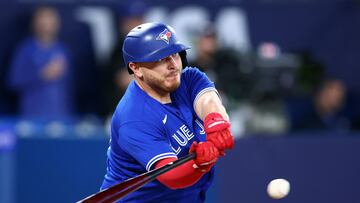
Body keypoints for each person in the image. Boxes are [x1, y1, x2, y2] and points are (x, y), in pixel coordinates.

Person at [100, 22, 234, 202]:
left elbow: (209, 100)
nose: (173, 65)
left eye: (174, 55)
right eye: (161, 59)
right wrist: (199, 164)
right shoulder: (133, 118)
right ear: (136, 68)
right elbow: (171, 176)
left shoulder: (188, 78)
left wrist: (215, 122)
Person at [7, 6, 73, 120]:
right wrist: (42, 75)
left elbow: (68, 88)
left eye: (50, 22)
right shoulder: (25, 49)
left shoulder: (62, 50)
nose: (46, 27)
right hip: (32, 117)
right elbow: (13, 80)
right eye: (42, 22)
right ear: (35, 24)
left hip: (60, 117)